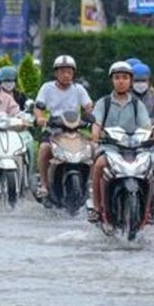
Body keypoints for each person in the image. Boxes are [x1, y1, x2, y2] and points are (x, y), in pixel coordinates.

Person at [88, 61, 152, 225]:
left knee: (151, 170)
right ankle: (96, 208)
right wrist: (95, 136)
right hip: (110, 148)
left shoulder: (138, 105)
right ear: (112, 80)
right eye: (117, 77)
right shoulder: (104, 103)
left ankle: (148, 211)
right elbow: (96, 124)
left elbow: (146, 126)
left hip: (134, 149)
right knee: (99, 165)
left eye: (124, 77)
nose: (121, 81)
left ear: (130, 80)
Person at [34, 55, 93, 199]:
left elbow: (88, 106)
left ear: (73, 73)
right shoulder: (47, 88)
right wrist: (40, 117)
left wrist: (89, 113)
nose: (66, 75)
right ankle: (43, 184)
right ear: (56, 73)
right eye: (62, 71)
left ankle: (90, 183)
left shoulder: (78, 89)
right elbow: (38, 107)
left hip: (74, 128)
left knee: (92, 148)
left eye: (69, 72)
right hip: (53, 129)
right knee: (44, 149)